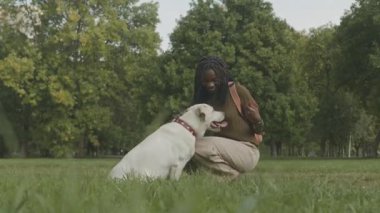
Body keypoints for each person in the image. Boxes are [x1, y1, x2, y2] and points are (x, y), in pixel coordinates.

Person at [188, 55, 264, 179]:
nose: (210, 85)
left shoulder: (237, 91)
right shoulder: (201, 100)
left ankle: (231, 176)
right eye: (205, 81)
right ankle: (214, 179)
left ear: (222, 77)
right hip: (217, 150)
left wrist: (257, 120)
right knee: (186, 147)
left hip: (246, 150)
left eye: (214, 80)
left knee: (195, 146)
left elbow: (259, 131)